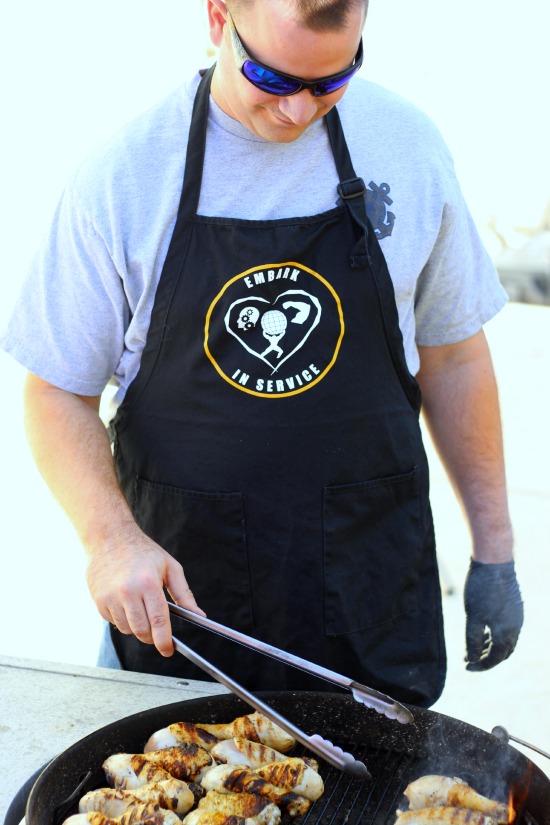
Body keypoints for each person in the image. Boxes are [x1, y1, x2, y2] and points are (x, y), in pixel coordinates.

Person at [0, 0, 523, 708]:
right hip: (184, 626)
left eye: (331, 81)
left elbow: (454, 355)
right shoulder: (126, 175)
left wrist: (495, 553)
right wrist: (111, 539)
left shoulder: (408, 146)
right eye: (271, 80)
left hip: (369, 609)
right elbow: (55, 390)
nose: (299, 113)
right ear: (219, 19)